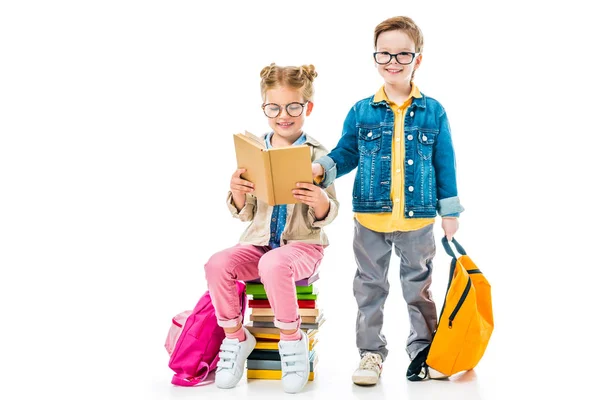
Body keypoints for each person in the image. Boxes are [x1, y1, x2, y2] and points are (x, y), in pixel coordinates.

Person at [312, 16, 464, 385]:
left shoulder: (433, 111)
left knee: (419, 290)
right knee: (369, 288)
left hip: (418, 221)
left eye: (402, 54)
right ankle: (370, 355)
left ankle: (423, 352)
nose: (393, 62)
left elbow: (444, 161)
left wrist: (450, 212)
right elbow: (348, 152)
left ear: (418, 59)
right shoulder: (362, 110)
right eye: (384, 54)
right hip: (370, 219)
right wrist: (323, 168)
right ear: (375, 57)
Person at [204, 63, 338, 394]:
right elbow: (245, 214)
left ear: (307, 107)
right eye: (273, 107)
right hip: (259, 242)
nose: (283, 115)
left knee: (274, 264)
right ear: (264, 108)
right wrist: (237, 191)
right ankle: (236, 337)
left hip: (302, 246)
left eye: (293, 106)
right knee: (217, 263)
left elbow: (329, 213)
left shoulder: (320, 156)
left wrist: (318, 198)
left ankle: (293, 341)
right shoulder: (254, 150)